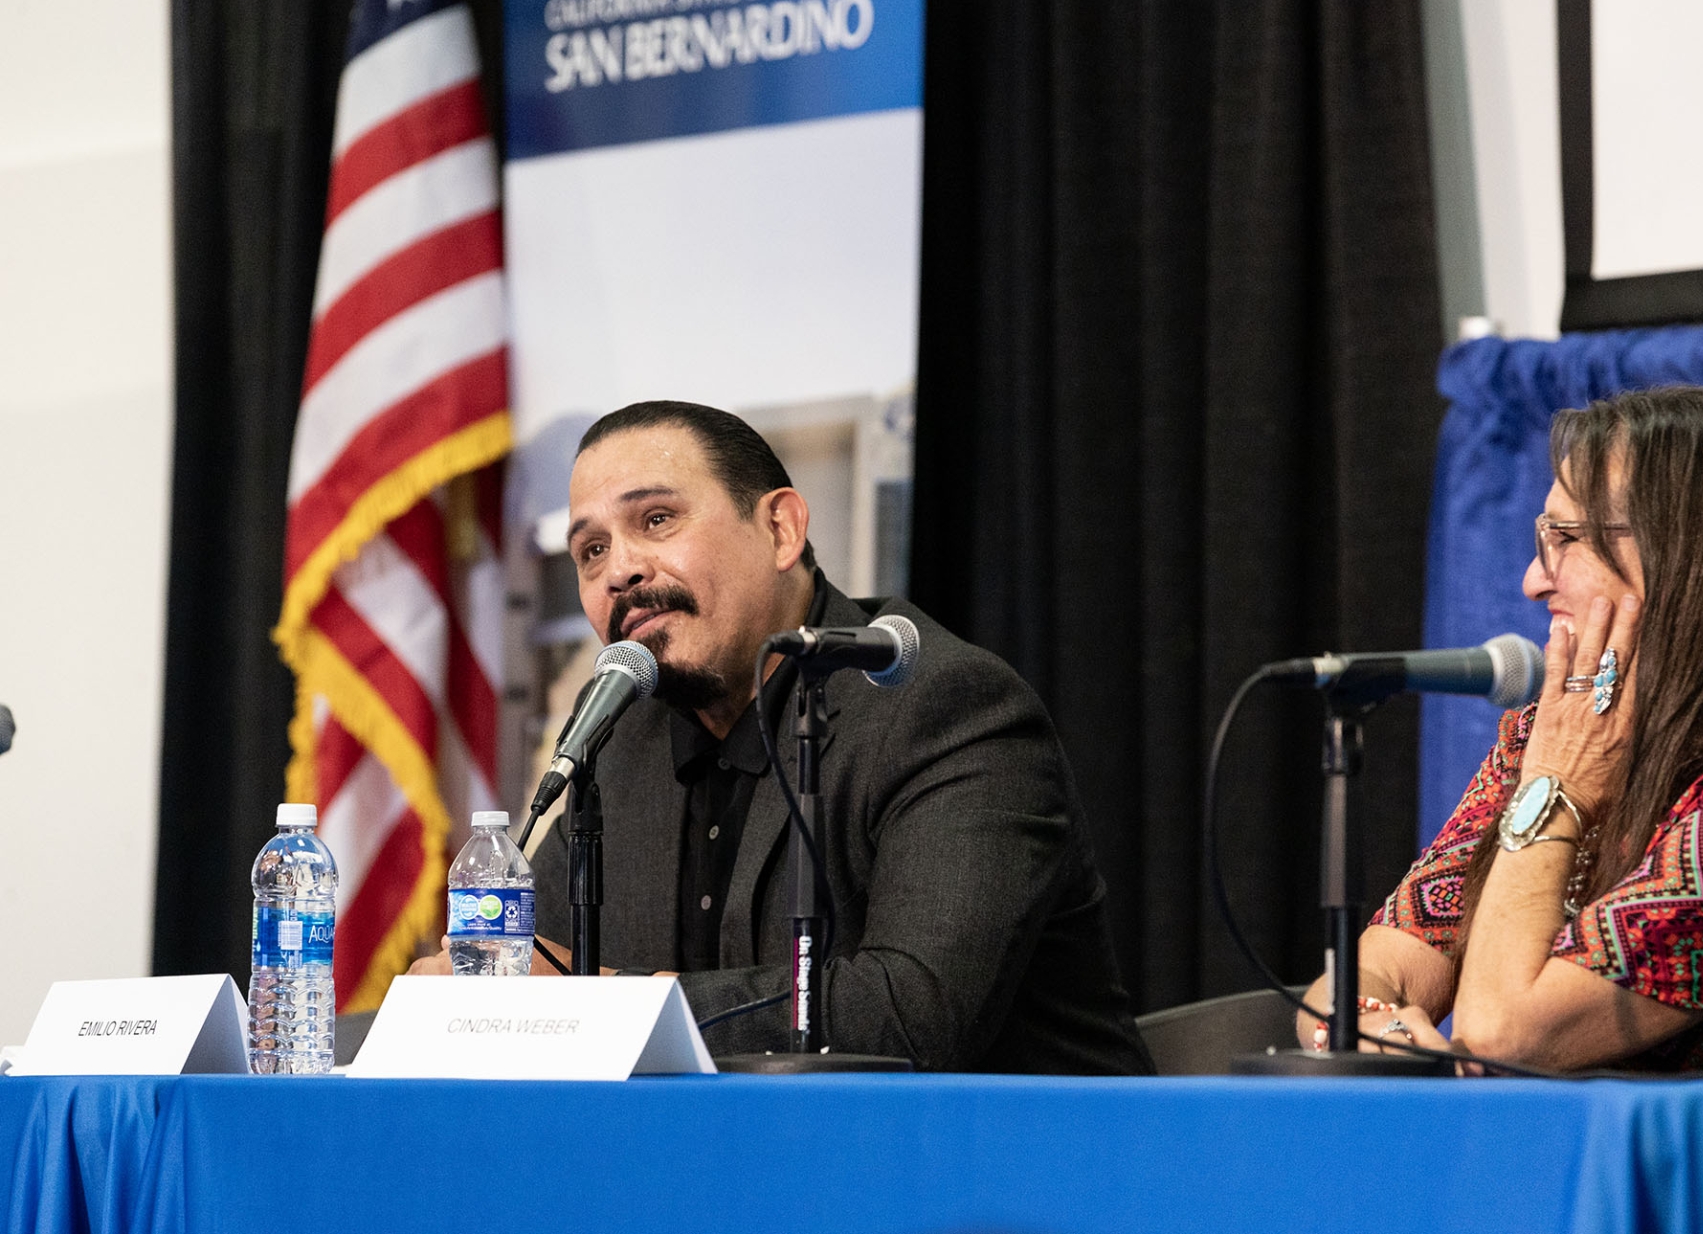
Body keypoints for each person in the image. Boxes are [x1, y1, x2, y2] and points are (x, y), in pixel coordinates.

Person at [412, 400, 1152, 1074]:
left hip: (1010, 1192)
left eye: (657, 520)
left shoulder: (947, 707)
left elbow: (911, 1014)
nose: (621, 570)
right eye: (590, 551)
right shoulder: (619, 738)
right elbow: (526, 979)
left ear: (781, 529)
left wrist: (599, 1002)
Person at [1299, 385, 1703, 1073]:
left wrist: (1555, 787)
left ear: (1690, 561)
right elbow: (1360, 975)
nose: (1534, 580)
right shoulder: (1554, 736)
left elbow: (1502, 1036)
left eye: (1566, 538)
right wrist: (1378, 1024)